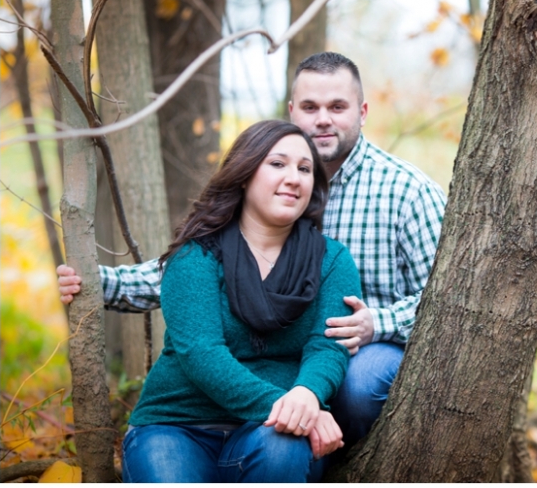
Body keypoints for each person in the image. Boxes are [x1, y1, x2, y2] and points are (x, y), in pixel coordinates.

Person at [58, 52, 448, 448]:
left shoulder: (407, 192)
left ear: (362, 112)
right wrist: (97, 283)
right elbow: (197, 271)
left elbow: (445, 303)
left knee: (360, 379)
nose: (323, 119)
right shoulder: (268, 184)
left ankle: (350, 461)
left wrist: (376, 324)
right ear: (292, 111)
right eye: (310, 107)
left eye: (338, 107)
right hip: (282, 372)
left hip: (366, 351)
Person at [118, 120, 362, 482]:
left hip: (273, 435)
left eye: (305, 168)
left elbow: (327, 346)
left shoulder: (332, 260)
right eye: (277, 164)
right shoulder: (195, 256)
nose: (294, 178)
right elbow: (202, 354)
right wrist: (298, 411)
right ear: (245, 174)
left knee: (285, 445)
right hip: (178, 426)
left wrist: (309, 393)